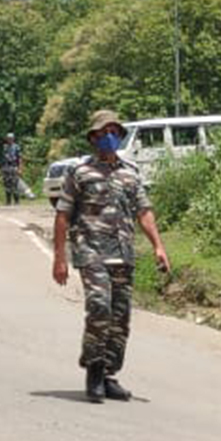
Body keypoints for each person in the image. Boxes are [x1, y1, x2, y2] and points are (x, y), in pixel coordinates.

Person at [51, 110, 171, 403]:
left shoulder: (130, 172)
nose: (109, 137)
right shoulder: (79, 173)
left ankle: (108, 374)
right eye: (104, 133)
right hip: (90, 250)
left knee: (120, 317)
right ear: (93, 138)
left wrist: (158, 246)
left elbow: (144, 211)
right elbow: (63, 215)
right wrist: (59, 258)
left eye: (114, 132)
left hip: (122, 253)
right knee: (99, 306)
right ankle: (93, 371)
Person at [0, 132, 23, 205]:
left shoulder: (16, 147)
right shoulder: (5, 147)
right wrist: (2, 168)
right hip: (6, 166)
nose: (9, 140)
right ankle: (8, 201)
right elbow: (3, 158)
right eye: (8, 138)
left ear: (13, 139)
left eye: (11, 138)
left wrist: (20, 168)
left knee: (15, 183)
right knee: (7, 184)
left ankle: (16, 201)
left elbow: (19, 158)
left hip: (14, 166)